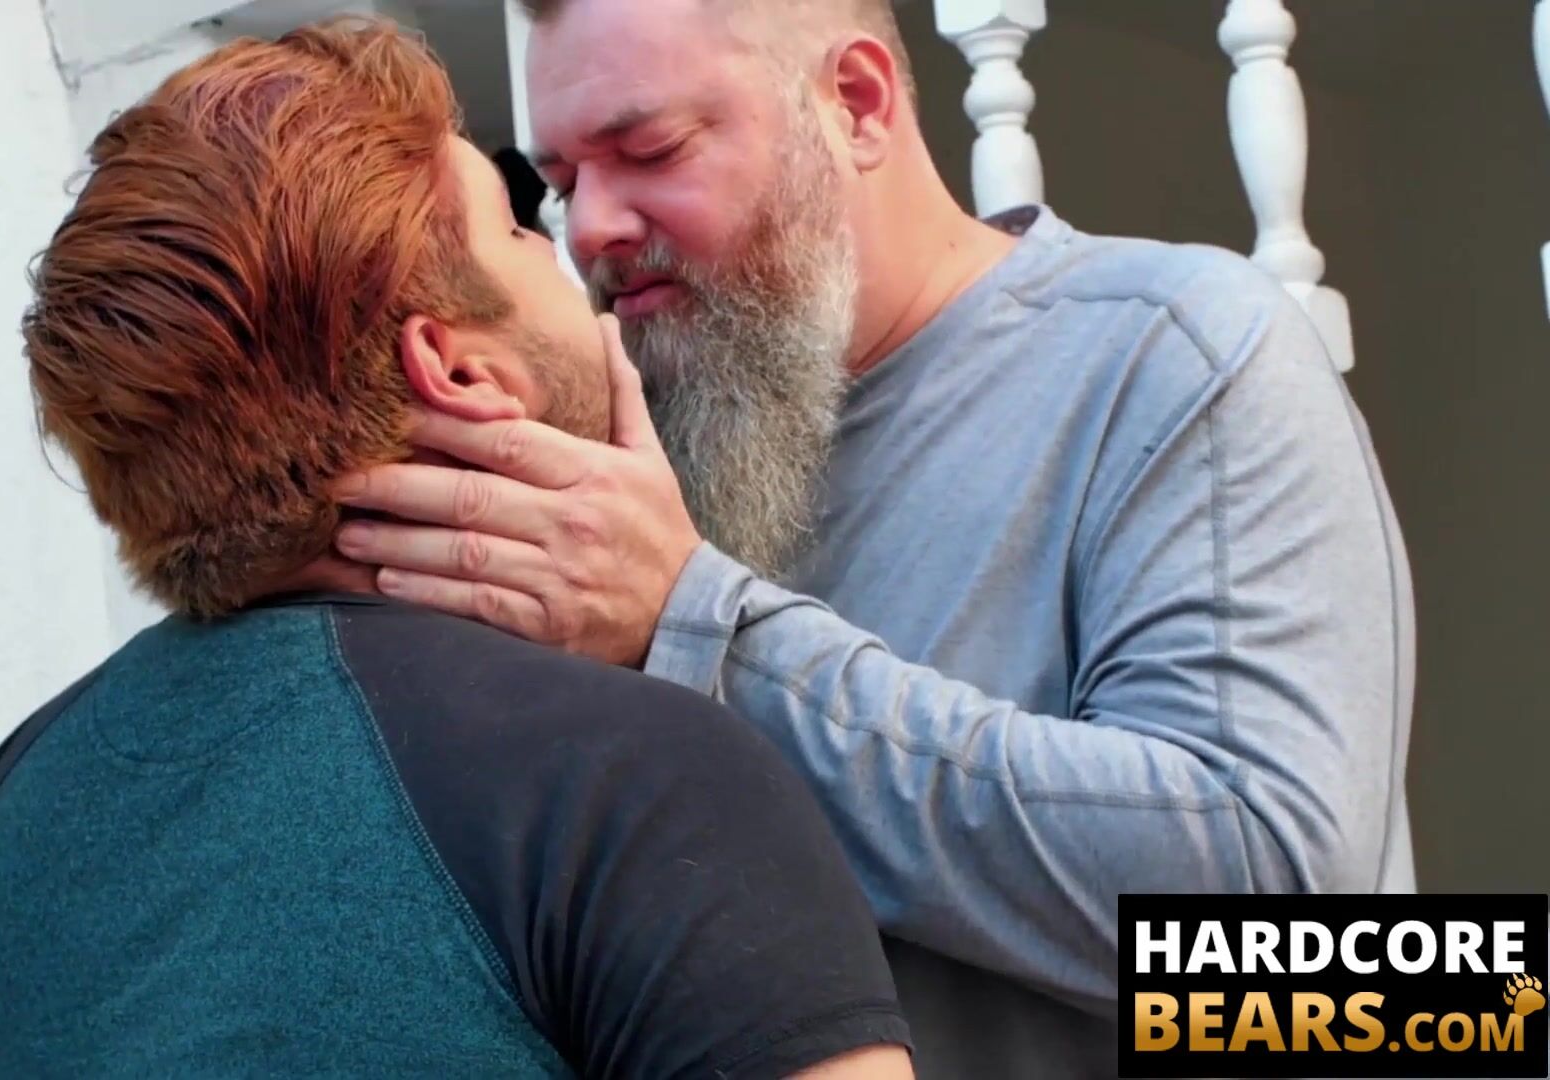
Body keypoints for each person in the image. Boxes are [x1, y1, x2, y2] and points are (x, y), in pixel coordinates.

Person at [327, 0, 1417, 1074]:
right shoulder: (618, 458)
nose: (592, 228)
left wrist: (699, 628)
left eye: (650, 151)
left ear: (855, 103)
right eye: (562, 186)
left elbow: (1274, 917)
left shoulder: (1176, 354)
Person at [0, 21, 915, 1080]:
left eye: (649, 151)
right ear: (461, 373)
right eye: (523, 220)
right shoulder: (634, 787)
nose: (576, 243)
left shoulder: (3, 816)